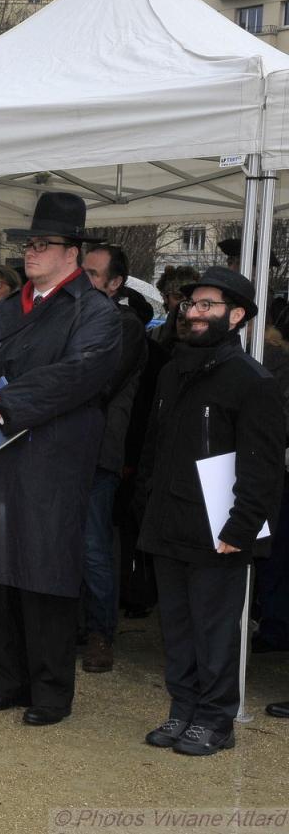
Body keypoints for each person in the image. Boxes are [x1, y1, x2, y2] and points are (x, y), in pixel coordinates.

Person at [0, 192, 122, 726]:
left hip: (49, 458)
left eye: (44, 245)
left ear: (72, 252)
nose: (32, 253)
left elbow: (75, 376)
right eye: (29, 244)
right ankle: (6, 678)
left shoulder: (95, 312)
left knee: (44, 571)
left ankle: (49, 691)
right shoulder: (5, 307)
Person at [136, 267, 284, 755]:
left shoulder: (252, 381)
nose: (193, 313)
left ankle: (216, 721)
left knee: (215, 629)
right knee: (176, 627)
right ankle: (183, 709)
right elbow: (155, 446)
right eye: (190, 304)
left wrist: (241, 528)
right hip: (167, 523)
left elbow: (263, 467)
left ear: (237, 316)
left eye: (207, 306)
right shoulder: (172, 370)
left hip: (220, 530)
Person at [80, 243, 148, 673]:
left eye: (91, 273)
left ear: (115, 283)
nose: (82, 279)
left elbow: (94, 384)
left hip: (97, 452)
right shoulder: (70, 317)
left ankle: (100, 633)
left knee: (92, 548)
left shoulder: (124, 325)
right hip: (59, 450)